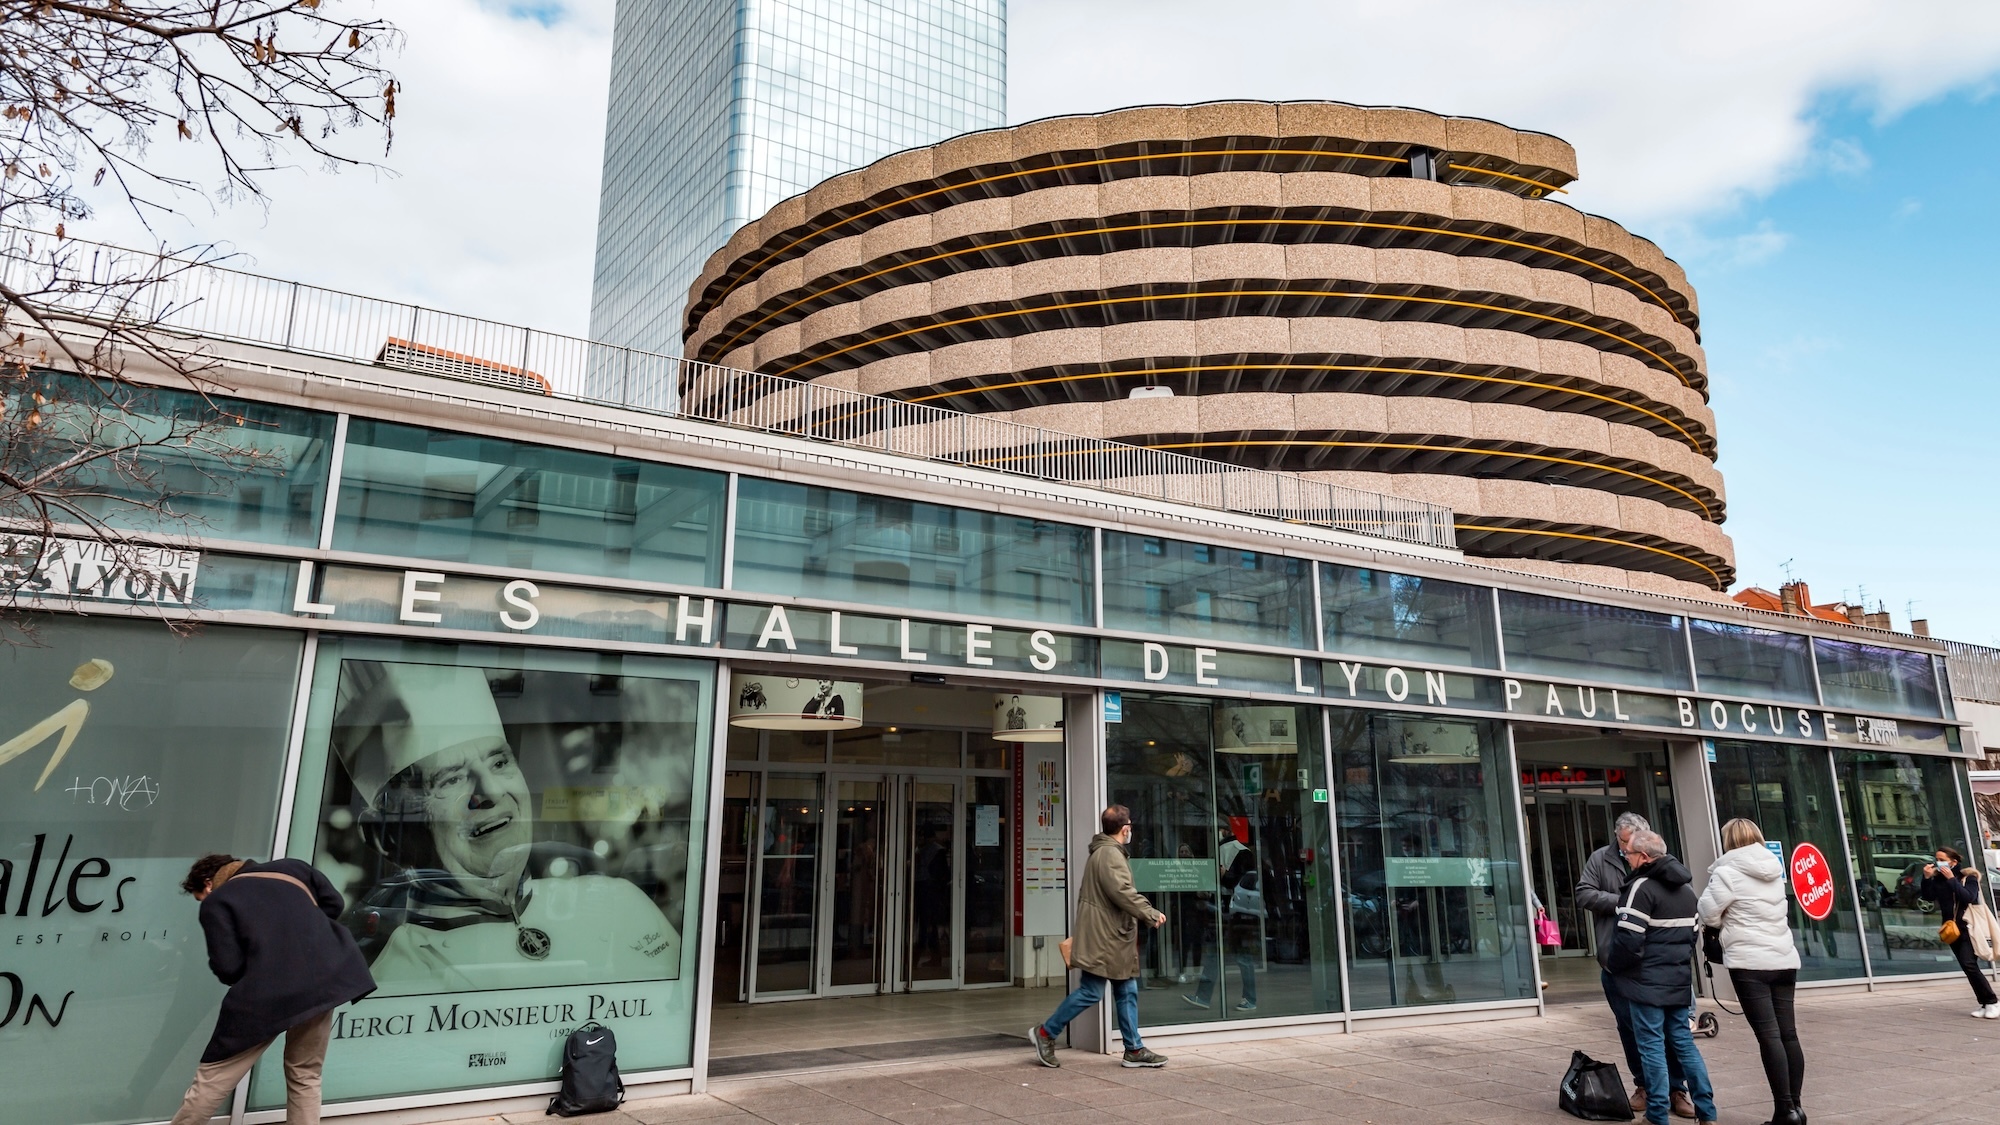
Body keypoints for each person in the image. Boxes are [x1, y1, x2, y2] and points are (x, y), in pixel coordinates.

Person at [334, 661, 681, 991]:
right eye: (450, 779)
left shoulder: (622, 904)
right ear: (385, 836)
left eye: (499, 762)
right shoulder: (389, 978)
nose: (491, 792)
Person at [166, 852, 377, 1125]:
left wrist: (267, 956)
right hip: (324, 981)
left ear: (208, 883)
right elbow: (333, 904)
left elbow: (228, 967)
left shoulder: (218, 901)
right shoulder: (294, 868)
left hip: (268, 994)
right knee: (306, 1073)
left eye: (200, 897)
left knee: (212, 1077)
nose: (203, 902)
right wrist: (300, 937)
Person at [1031, 805, 1169, 1069]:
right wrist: (1149, 913)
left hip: (1111, 936)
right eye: (1130, 824)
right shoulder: (1109, 855)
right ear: (1124, 828)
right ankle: (1046, 1033)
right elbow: (1122, 892)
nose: (1131, 829)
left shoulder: (1105, 852)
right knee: (1091, 991)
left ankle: (1134, 1049)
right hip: (1106, 938)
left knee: (1126, 989)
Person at [1578, 812, 1692, 1118]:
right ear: (1618, 838)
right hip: (1616, 962)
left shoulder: (1658, 859)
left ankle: (1677, 1089)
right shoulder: (1600, 858)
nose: (1632, 850)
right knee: (1630, 1029)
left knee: (1669, 1032)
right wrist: (1622, 903)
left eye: (1636, 844)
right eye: (1627, 843)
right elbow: (1583, 893)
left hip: (1655, 963)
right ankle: (1643, 1085)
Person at [1697, 818, 1805, 1125]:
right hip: (1783, 958)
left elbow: (1707, 911)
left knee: (1769, 1036)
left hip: (1749, 962)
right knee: (1789, 1035)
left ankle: (1785, 1111)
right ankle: (1795, 1108)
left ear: (1728, 841)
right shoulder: (1773, 870)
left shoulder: (1727, 872)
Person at [1610, 831, 1717, 1125]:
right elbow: (1692, 936)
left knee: (1652, 1047)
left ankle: (1657, 1115)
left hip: (1645, 984)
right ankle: (1707, 1113)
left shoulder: (1641, 888)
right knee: (1683, 1044)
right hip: (1678, 981)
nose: (1627, 858)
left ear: (1644, 858)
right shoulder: (1687, 891)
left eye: (1629, 854)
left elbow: (1628, 941)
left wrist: (1615, 968)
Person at [1184, 831, 1260, 1011]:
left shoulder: (1238, 852)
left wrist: (1225, 876)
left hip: (1236, 911)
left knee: (1240, 955)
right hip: (1228, 910)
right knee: (1218, 954)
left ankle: (1248, 998)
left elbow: (1240, 883)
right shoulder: (1237, 851)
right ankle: (1203, 996)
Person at [1920, 845, 1999, 1017]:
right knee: (1967, 966)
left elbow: (1968, 897)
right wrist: (1926, 878)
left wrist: (1952, 879)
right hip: (1951, 929)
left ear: (1954, 862)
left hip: (1968, 928)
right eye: (1937, 859)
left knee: (1969, 964)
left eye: (1942, 860)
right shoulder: (1938, 879)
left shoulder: (1968, 877)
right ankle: (1985, 1003)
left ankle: (1992, 1001)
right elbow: (1928, 897)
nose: (1938, 863)